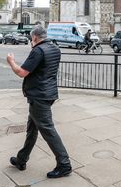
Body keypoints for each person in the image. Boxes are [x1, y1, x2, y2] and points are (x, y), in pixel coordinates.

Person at [6, 25, 72, 178]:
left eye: (31, 38)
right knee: (32, 129)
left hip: (39, 96)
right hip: (48, 93)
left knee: (48, 130)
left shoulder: (38, 50)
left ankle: (64, 164)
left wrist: (11, 61)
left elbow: (22, 72)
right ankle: (21, 159)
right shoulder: (55, 48)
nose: (31, 40)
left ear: (34, 37)